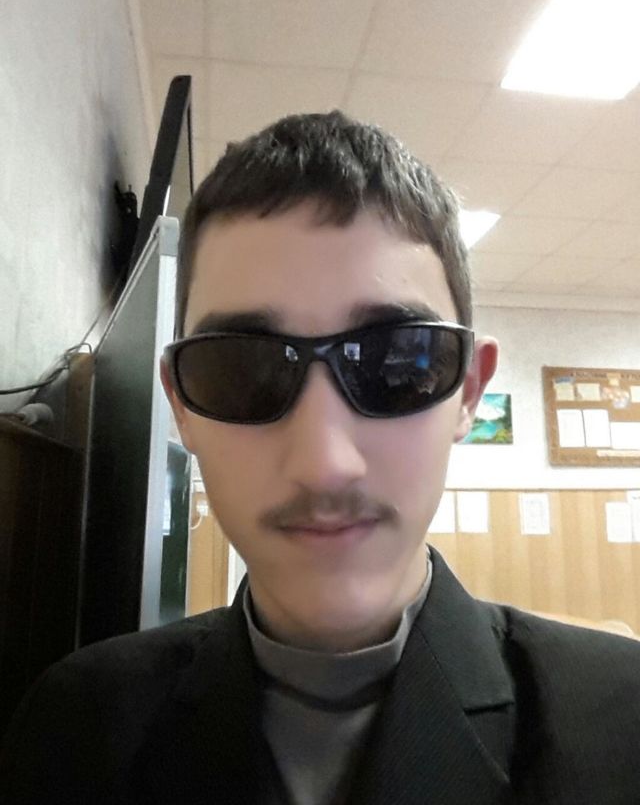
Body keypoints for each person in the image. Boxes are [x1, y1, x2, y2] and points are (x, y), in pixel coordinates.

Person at [1, 111, 639, 804]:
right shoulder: (76, 729)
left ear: (468, 392)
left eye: (397, 364)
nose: (324, 464)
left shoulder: (623, 720)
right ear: (181, 403)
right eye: (240, 370)